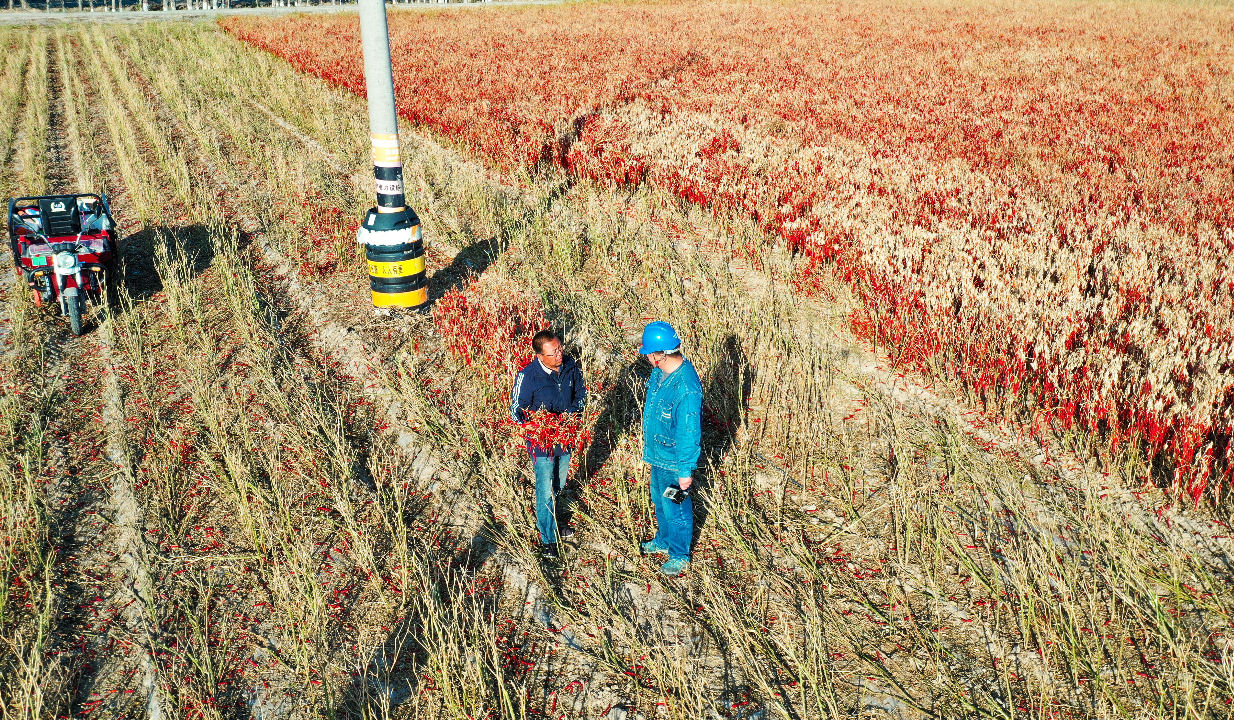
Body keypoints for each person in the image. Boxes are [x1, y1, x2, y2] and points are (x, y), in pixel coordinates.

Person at [511, 329, 587, 559]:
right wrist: (538, 423)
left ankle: (552, 521)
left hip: (564, 438)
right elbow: (516, 409)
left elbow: (581, 394)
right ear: (540, 356)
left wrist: (571, 415)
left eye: (560, 349)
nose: (559, 354)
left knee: (558, 484)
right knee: (545, 489)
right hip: (541, 443)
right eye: (553, 352)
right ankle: (548, 538)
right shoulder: (528, 376)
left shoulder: (571, 367)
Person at [637, 321, 703, 577]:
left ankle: (679, 554)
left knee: (676, 506)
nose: (647, 358)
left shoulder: (686, 389)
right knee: (659, 501)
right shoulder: (658, 373)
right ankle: (663, 540)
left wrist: (685, 471)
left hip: (675, 462)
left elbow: (689, 433)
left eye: (648, 353)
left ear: (658, 355)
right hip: (657, 455)